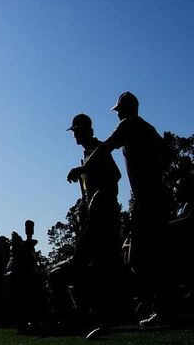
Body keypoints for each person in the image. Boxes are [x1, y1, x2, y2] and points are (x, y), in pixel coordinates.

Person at [73, 92, 172, 326]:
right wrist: (156, 172)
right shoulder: (147, 127)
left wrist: (82, 169)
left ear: (125, 111)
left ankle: (157, 307)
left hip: (148, 200)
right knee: (152, 254)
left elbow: (106, 148)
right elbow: (167, 152)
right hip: (154, 196)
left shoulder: (129, 125)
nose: (117, 116)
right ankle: (160, 306)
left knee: (140, 256)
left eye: (118, 112)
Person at [56, 113, 124, 328]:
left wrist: (96, 203)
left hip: (104, 219)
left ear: (84, 129)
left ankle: (89, 316)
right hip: (91, 220)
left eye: (75, 130)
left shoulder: (99, 150)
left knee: (91, 266)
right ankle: (93, 314)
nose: (74, 135)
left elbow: (115, 177)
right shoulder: (85, 155)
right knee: (92, 268)